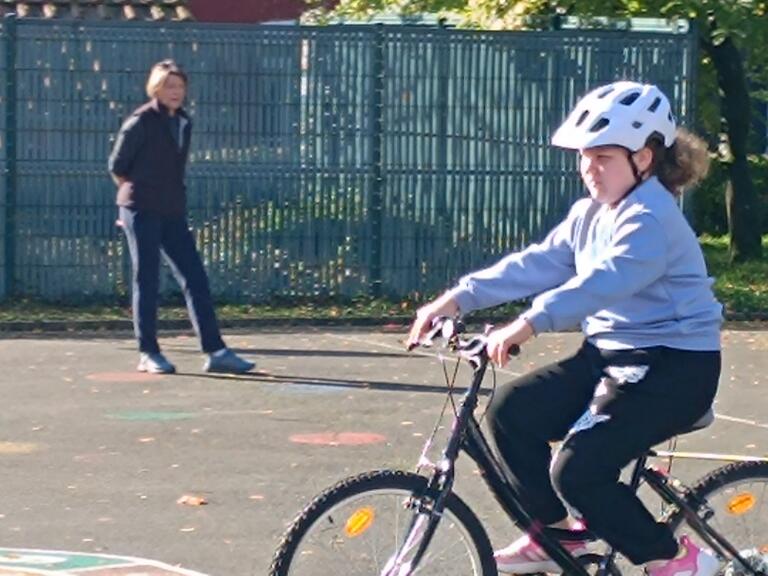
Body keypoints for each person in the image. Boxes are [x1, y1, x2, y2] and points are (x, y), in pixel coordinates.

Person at [406, 81, 722, 576]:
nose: (589, 168)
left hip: (672, 369)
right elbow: (539, 264)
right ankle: (558, 538)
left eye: (603, 157)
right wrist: (456, 298)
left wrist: (529, 323)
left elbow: (602, 284)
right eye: (584, 157)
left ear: (645, 157)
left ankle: (676, 560)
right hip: (610, 357)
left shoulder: (652, 219)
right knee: (513, 413)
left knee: (578, 472)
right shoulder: (590, 213)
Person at [108, 60, 255, 375]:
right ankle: (148, 352)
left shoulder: (184, 122)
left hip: (171, 210)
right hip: (140, 209)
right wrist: (133, 203)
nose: (175, 92)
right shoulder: (140, 122)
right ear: (156, 89)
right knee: (146, 280)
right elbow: (117, 166)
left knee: (195, 277)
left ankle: (216, 351)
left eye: (179, 87)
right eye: (168, 86)